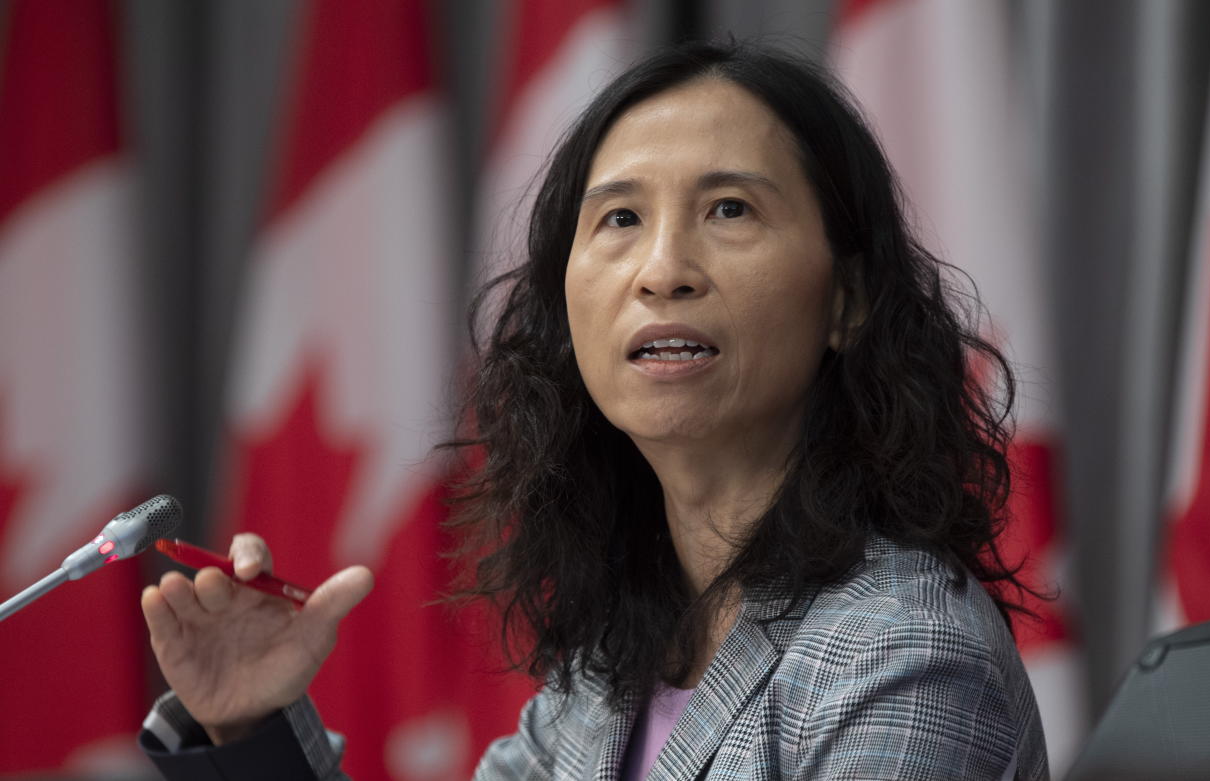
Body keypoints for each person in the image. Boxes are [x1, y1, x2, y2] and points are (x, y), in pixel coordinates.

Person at [138, 40, 1050, 780]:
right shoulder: (608, 670)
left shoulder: (904, 656)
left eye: (730, 209)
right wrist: (250, 730)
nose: (663, 269)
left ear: (847, 299)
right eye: (618, 219)